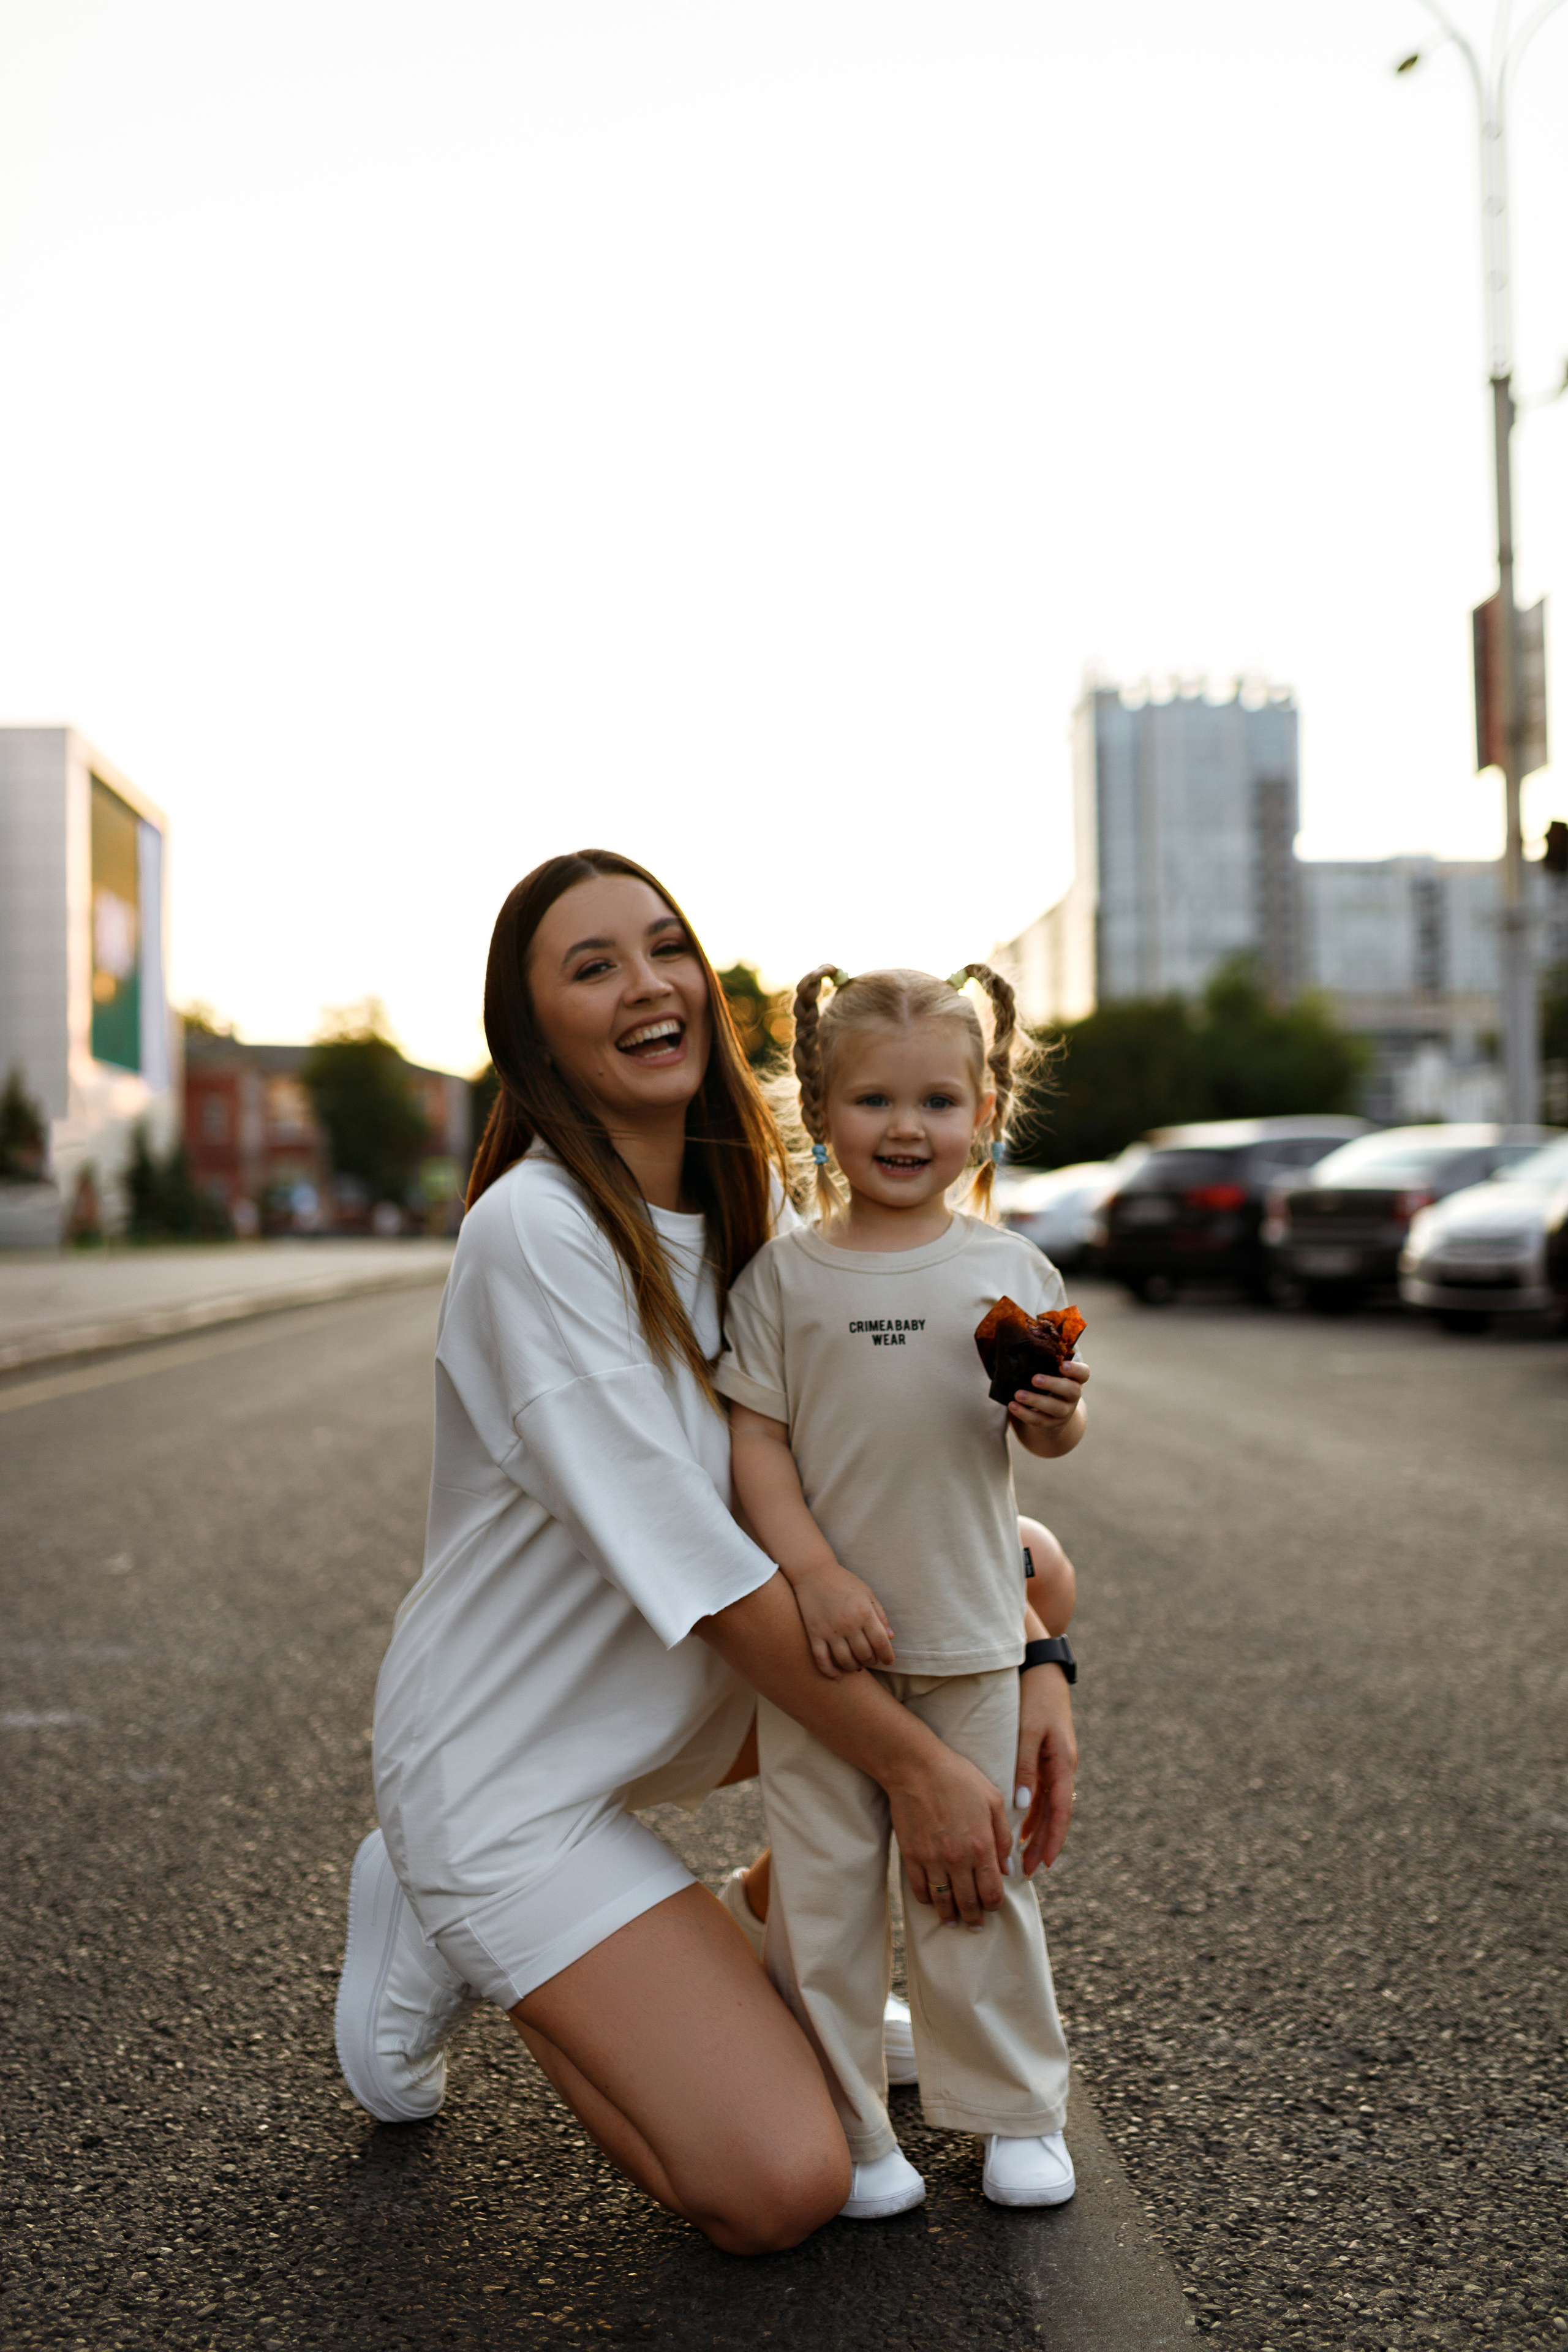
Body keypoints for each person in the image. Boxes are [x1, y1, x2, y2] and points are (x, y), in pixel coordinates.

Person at [333, 854, 1080, 2255]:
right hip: (513, 1773)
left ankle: (757, 1933)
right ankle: (447, 1908)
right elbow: (712, 1574)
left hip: (685, 1711)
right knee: (779, 2183)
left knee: (1025, 1564)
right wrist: (926, 1772)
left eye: (663, 946)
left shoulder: (765, 1231)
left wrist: (1036, 1659)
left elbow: (944, 1489)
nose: (645, 984)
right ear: (532, 1031)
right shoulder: (536, 1235)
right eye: (591, 965)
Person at [712, 962, 1088, 2216]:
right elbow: (755, 1446)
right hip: (822, 1649)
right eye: (873, 1101)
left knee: (975, 1877)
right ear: (819, 1111)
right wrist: (809, 1575)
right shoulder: (782, 1280)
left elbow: (1043, 1447)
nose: (906, 1129)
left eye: (937, 1100)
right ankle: (850, 2124)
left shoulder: (1012, 1273)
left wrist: (1053, 1419)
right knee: (820, 1895)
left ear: (982, 1110)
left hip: (974, 1632)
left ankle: (1013, 2113)